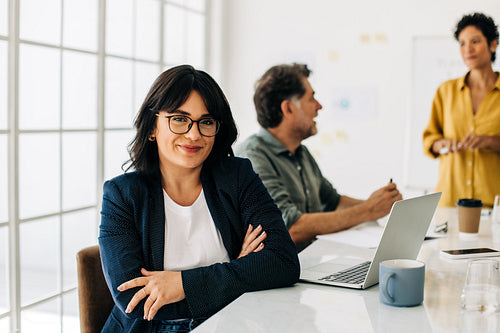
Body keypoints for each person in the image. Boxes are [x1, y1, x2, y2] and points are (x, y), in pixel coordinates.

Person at [98, 65, 300, 332]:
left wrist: (182, 284)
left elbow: (283, 262)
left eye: (206, 122)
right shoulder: (121, 195)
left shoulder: (238, 177)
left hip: (228, 322)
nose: (194, 134)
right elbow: (134, 300)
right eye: (179, 119)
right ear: (152, 127)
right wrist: (237, 269)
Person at [236, 63, 402, 252]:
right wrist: (369, 210)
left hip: (313, 263)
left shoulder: (301, 153)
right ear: (288, 108)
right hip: (281, 276)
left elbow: (333, 202)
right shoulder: (252, 157)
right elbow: (290, 227)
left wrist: (385, 204)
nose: (319, 106)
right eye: (311, 98)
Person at [423, 12, 500, 207]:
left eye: (475, 41)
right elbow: (429, 139)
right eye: (462, 43)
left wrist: (490, 141)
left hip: (493, 205)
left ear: (492, 44)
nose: (468, 50)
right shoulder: (446, 91)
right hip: (449, 201)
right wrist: (441, 144)